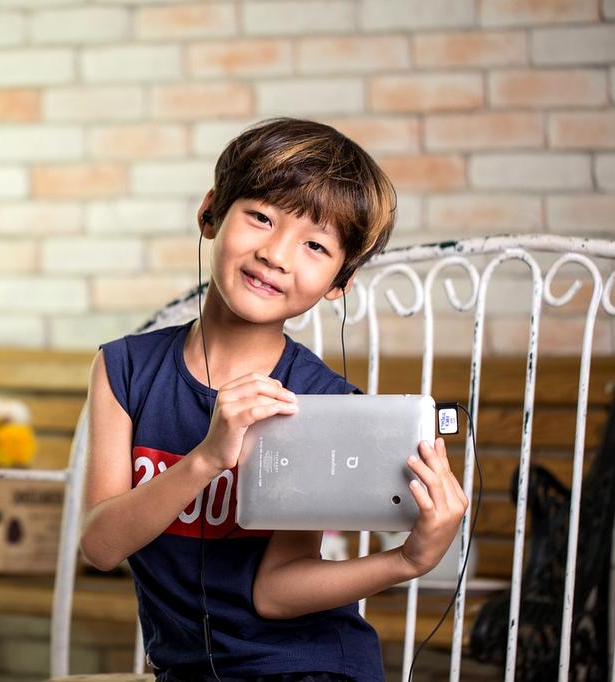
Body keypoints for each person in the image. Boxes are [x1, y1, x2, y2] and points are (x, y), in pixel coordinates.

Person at [79, 118, 468, 681]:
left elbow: (274, 593)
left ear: (340, 280)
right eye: (260, 216)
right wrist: (208, 458)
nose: (277, 254)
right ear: (211, 212)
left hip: (309, 666)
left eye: (315, 245)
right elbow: (102, 545)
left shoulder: (319, 402)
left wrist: (408, 560)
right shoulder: (125, 369)